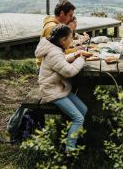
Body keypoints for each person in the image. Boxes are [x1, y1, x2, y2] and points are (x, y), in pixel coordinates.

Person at [35, 24, 88, 152]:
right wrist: (81, 59)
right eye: (71, 37)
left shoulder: (54, 48)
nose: (72, 40)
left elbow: (61, 61)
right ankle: (69, 150)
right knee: (79, 118)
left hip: (59, 87)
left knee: (84, 109)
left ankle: (71, 134)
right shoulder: (54, 52)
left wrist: (75, 55)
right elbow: (69, 71)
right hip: (51, 90)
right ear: (63, 39)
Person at [36, 0, 77, 68]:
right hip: (45, 67)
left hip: (52, 63)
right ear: (62, 13)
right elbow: (57, 53)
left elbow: (63, 46)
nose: (71, 18)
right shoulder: (52, 28)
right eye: (70, 15)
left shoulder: (58, 26)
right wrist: (76, 50)